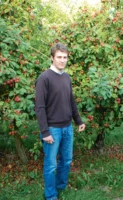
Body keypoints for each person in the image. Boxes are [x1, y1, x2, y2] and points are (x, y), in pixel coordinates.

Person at [35, 43, 86, 200]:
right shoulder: (44, 78)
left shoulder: (66, 77)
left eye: (65, 57)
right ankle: (51, 195)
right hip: (52, 129)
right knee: (51, 165)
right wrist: (45, 132)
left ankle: (60, 187)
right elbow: (40, 107)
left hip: (67, 127)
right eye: (59, 57)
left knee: (67, 160)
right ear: (52, 58)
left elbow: (71, 101)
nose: (62, 60)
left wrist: (78, 121)